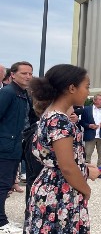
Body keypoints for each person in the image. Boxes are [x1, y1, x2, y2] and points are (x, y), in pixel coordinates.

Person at [25, 64, 101, 233]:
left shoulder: (49, 115)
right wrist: (85, 189)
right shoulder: (60, 120)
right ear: (72, 88)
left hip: (52, 185)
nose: (88, 92)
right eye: (86, 87)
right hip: (60, 191)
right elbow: (66, 166)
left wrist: (83, 166)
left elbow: (58, 158)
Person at [0, 62, 33, 233]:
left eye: (30, 73)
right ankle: (1, 222)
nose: (28, 76)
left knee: (7, 184)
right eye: (24, 73)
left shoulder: (24, 94)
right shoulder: (8, 93)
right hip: (6, 146)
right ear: (12, 74)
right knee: (3, 184)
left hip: (16, 146)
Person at [80, 94, 101, 178]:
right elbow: (82, 122)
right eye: (100, 99)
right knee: (87, 154)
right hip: (90, 135)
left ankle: (99, 172)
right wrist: (89, 126)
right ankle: (87, 171)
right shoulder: (87, 109)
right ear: (94, 101)